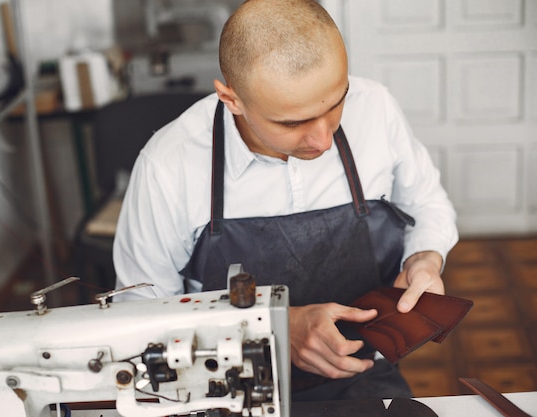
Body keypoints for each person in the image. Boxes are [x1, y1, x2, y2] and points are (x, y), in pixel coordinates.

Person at [113, 0, 458, 401]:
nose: (323, 139)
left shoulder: (376, 107)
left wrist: (424, 260)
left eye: (335, 104)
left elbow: (428, 204)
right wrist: (272, 327)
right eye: (293, 122)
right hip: (224, 386)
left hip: (365, 375)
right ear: (232, 99)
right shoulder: (168, 163)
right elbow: (140, 312)